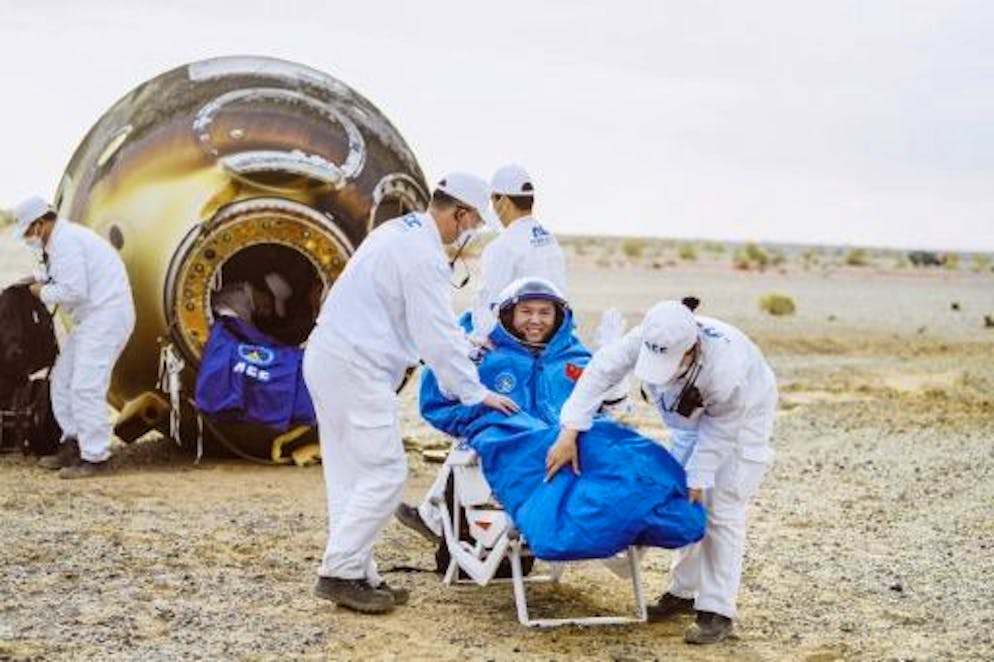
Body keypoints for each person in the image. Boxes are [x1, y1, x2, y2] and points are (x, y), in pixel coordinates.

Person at [302, 172, 519, 615]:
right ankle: (340, 572)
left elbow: (420, 322)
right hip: (357, 366)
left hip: (331, 356)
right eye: (472, 222)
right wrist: (475, 393)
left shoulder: (396, 232)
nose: (471, 231)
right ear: (458, 213)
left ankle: (359, 572)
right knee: (385, 472)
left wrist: (469, 346)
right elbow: (434, 335)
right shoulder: (422, 256)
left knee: (351, 474)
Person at [546, 300, 777, 644]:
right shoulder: (647, 335)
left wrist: (700, 475)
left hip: (741, 427)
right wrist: (571, 428)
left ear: (693, 348)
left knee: (720, 508)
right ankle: (683, 593)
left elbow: (720, 432)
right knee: (684, 501)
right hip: (689, 424)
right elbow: (600, 372)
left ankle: (718, 610)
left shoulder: (727, 370)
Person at [395, 277, 597, 544]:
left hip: (560, 451)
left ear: (559, 316)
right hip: (505, 449)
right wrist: (463, 373)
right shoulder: (485, 352)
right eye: (526, 311)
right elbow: (439, 398)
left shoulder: (574, 358)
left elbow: (601, 408)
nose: (535, 320)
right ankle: (440, 520)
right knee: (474, 448)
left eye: (545, 312)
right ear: (508, 313)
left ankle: (433, 517)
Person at [12, 196, 135, 479]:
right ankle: (73, 442)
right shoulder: (59, 241)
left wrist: (39, 292)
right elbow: (55, 274)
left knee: (86, 386)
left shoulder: (66, 242)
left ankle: (95, 456)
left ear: (41, 224)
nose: (29, 238)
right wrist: (32, 278)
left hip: (106, 317)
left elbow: (73, 291)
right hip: (93, 319)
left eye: (29, 231)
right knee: (64, 379)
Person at [469, 164, 568, 343]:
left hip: (519, 344)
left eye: (493, 200)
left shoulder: (502, 246)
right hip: (553, 336)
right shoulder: (548, 238)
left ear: (504, 202)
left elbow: (489, 310)